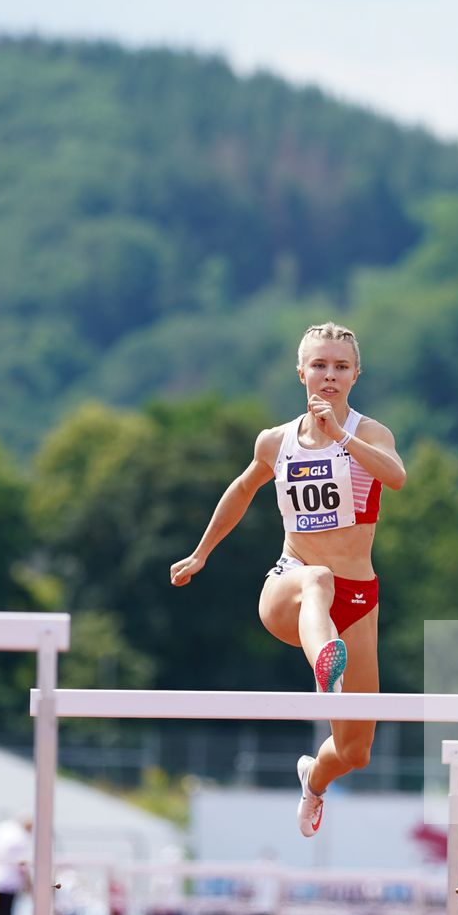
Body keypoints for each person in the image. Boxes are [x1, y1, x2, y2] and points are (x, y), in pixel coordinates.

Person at [170, 322, 406, 838]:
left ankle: (313, 779)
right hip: (291, 586)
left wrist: (340, 435)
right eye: (319, 365)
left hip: (358, 601)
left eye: (340, 367)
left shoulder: (369, 433)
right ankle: (325, 669)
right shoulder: (276, 441)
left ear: (355, 376)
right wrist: (200, 553)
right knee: (317, 577)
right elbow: (241, 489)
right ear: (301, 372)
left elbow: (396, 476)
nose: (329, 376)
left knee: (355, 751)